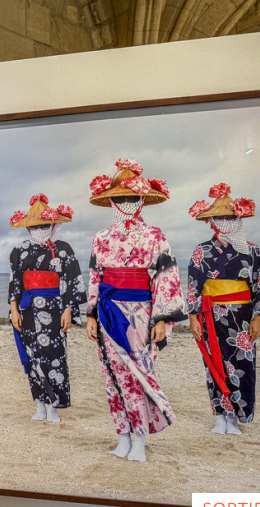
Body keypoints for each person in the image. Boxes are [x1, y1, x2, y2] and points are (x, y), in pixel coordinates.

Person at [85, 159, 186, 462]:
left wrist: (163, 318)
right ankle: (122, 436)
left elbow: (166, 278)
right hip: (107, 310)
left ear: (142, 200)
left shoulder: (155, 236)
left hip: (141, 314)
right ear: (111, 201)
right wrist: (90, 315)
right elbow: (94, 277)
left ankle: (140, 438)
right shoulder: (100, 238)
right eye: (120, 198)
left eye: (132, 197)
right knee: (112, 374)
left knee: (139, 372)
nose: (126, 202)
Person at [187, 183, 260, 435]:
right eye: (220, 217)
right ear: (212, 220)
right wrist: (193, 317)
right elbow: (194, 286)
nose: (225, 221)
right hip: (210, 316)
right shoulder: (201, 251)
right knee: (214, 364)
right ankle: (219, 415)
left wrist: (258, 316)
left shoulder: (252, 251)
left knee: (243, 365)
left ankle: (236, 417)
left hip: (242, 317)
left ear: (237, 218)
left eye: (229, 216)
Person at [8, 194, 86, 423]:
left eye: (44, 225)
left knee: (55, 357)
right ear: (28, 227)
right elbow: (14, 282)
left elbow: (73, 280)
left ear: (53, 225)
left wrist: (68, 310)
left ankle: (54, 406)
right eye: (35, 225)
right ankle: (39, 404)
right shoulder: (19, 250)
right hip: (28, 311)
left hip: (55, 310)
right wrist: (14, 309)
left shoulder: (63, 249)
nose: (40, 228)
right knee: (32, 357)